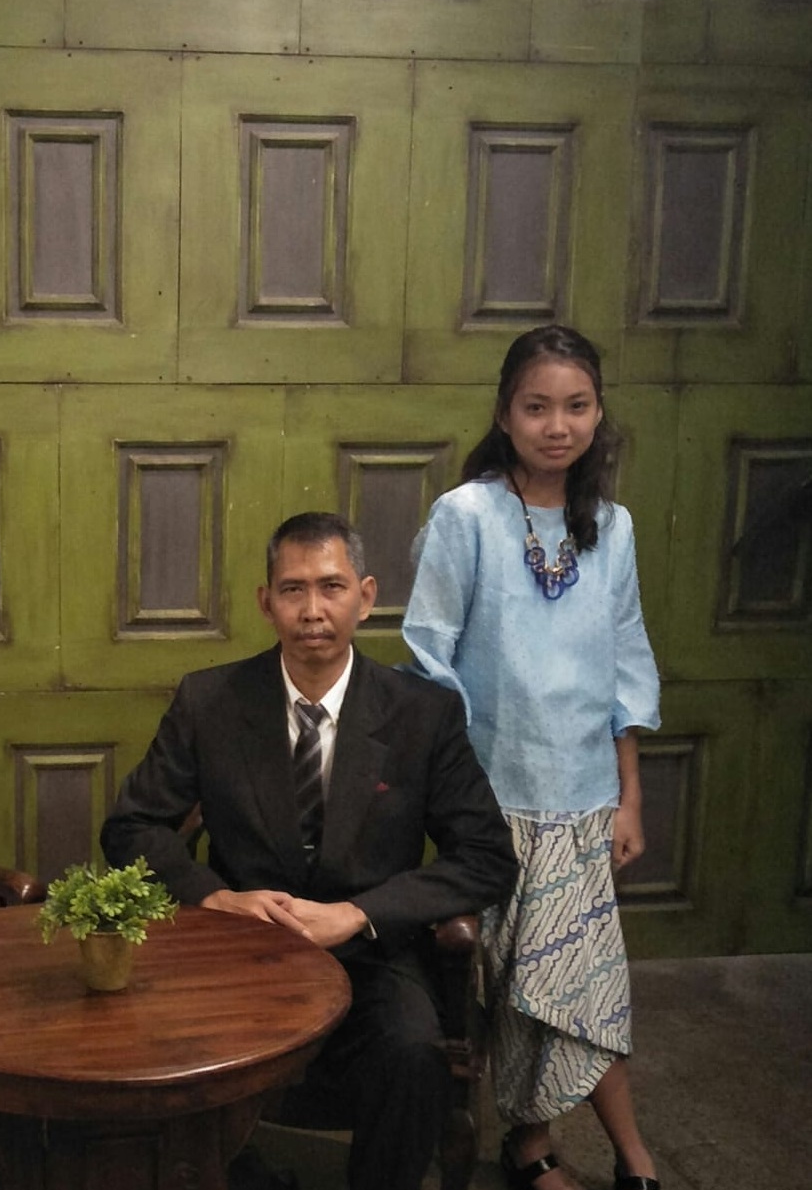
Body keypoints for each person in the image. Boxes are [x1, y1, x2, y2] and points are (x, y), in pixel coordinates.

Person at [101, 511, 518, 1190]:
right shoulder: (209, 700)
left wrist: (358, 913)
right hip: (239, 947)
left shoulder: (421, 713)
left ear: (365, 596)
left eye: (331, 586)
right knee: (155, 1041)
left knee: (413, 1052)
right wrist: (215, 896)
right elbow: (131, 827)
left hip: (370, 951)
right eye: (293, 589)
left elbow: (486, 856)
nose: (313, 609)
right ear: (266, 602)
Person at [401, 325, 662, 1190]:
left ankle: (619, 1156)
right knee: (519, 984)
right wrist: (458, 798)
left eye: (576, 406)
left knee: (577, 985)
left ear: (597, 413)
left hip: (583, 801)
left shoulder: (613, 528)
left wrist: (628, 797)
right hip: (493, 802)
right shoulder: (466, 516)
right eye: (537, 406)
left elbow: (625, 662)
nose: (557, 425)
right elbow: (430, 657)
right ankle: (537, 1147)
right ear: (505, 413)